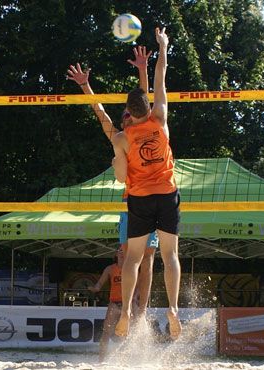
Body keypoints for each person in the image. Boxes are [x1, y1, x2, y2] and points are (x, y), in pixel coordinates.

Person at [67, 46, 159, 317]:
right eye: (125, 116)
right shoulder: (119, 138)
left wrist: (143, 69)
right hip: (130, 204)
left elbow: (143, 99)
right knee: (130, 258)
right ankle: (129, 308)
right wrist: (86, 86)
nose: (128, 116)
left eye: (131, 113)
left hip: (152, 201)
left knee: (148, 258)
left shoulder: (149, 128)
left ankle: (142, 310)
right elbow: (100, 114)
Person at [111, 27, 182, 341]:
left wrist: (118, 159)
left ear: (128, 113)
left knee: (133, 258)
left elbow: (119, 175)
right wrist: (162, 47)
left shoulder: (123, 138)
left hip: (139, 199)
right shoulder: (161, 118)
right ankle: (174, 308)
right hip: (166, 194)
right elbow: (161, 75)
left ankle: (126, 309)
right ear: (148, 107)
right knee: (170, 257)